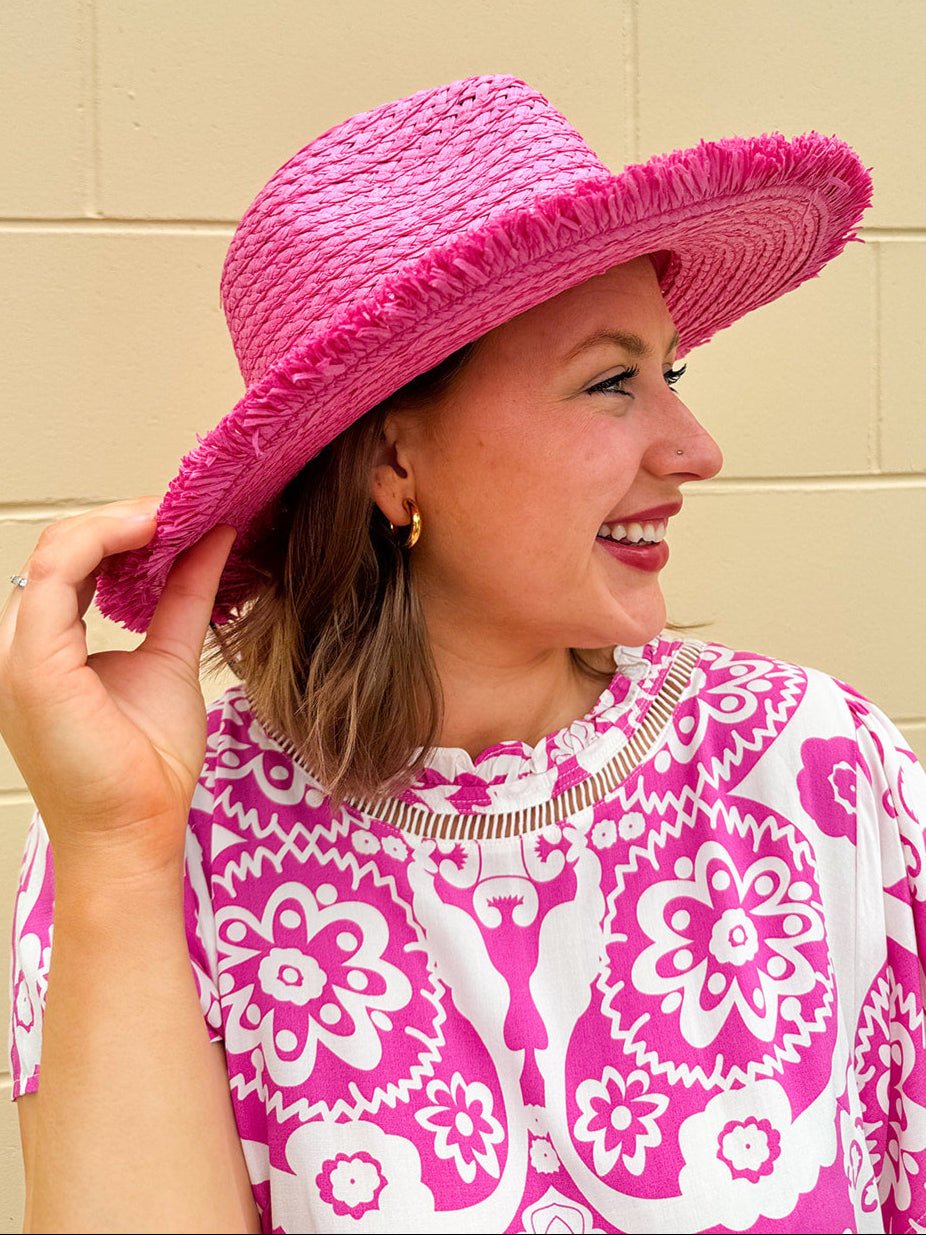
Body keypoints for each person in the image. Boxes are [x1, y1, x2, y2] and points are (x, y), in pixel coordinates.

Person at [0, 74, 920, 1235]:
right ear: (393, 466)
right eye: (609, 382)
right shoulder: (168, 836)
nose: (694, 448)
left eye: (668, 373)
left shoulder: (810, 773)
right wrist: (119, 852)